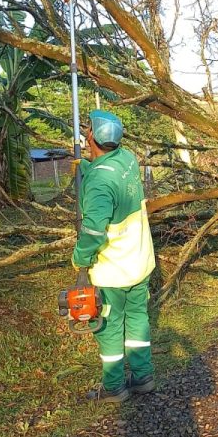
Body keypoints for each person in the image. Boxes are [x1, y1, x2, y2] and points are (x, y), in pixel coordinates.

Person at [72, 110, 157, 402]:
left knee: (107, 327)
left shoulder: (98, 184)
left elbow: (94, 232)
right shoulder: (128, 158)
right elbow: (109, 171)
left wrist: (80, 259)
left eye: (88, 131)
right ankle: (143, 376)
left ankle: (113, 388)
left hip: (113, 271)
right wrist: (85, 165)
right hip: (140, 260)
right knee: (137, 319)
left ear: (92, 135)